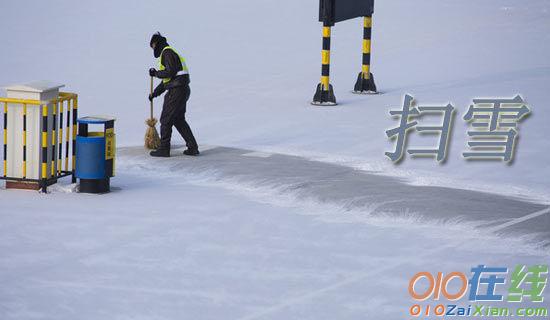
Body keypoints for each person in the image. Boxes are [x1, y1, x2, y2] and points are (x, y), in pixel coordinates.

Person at [148, 32, 199, 157]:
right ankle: (192, 147)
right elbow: (168, 80)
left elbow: (170, 72)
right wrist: (154, 93)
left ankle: (164, 149)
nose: (153, 49)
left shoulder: (167, 52)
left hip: (177, 91)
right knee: (178, 119)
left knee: (166, 119)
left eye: (153, 46)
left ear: (157, 43)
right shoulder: (168, 52)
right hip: (181, 89)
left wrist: (156, 73)